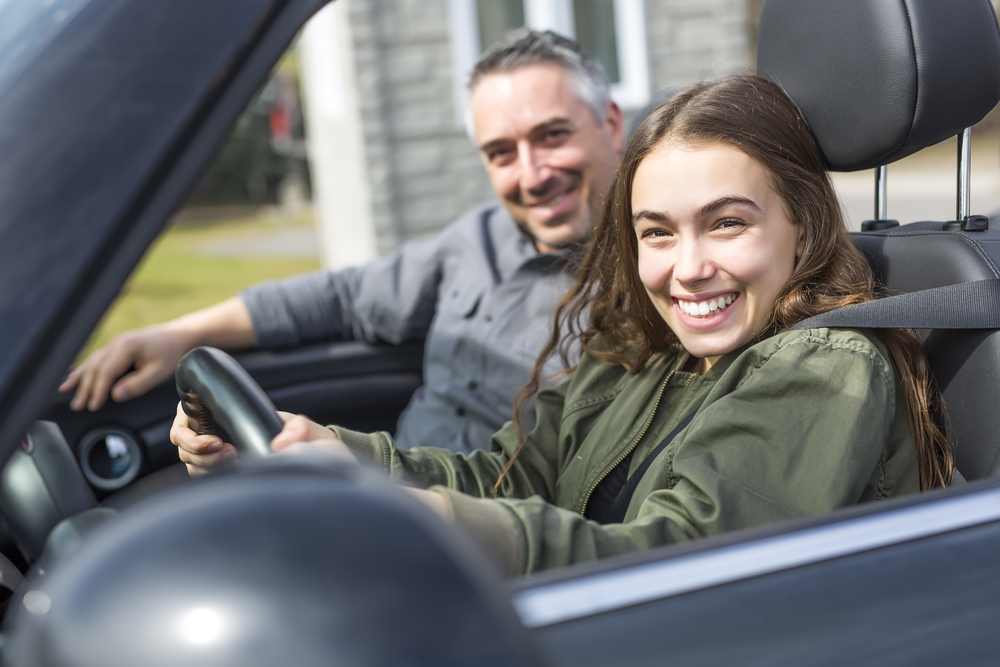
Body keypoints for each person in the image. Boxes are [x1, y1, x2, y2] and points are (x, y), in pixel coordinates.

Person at [172, 75, 953, 576]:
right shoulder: (646, 353)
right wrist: (330, 452)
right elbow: (509, 480)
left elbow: (680, 568)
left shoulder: (825, 364)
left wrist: (427, 521)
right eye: (656, 232)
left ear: (802, 225)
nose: (686, 269)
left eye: (726, 224)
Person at [59, 29, 624, 454]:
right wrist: (177, 333)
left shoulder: (657, 280)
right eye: (501, 153)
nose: (530, 175)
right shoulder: (475, 239)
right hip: (385, 500)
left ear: (612, 123)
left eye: (552, 137)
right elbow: (340, 297)